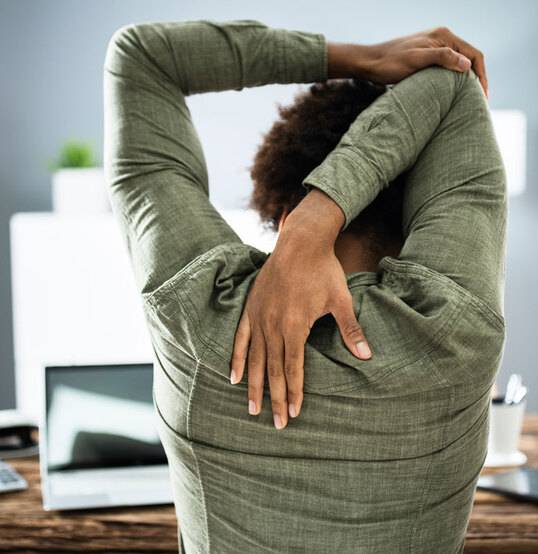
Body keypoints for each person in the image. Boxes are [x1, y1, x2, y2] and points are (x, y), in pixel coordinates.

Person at [104, 19, 507, 554]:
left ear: (280, 209)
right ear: (420, 206)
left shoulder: (197, 308)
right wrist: (326, 208)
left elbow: (143, 55)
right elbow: (453, 82)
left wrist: (359, 57)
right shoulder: (452, 328)